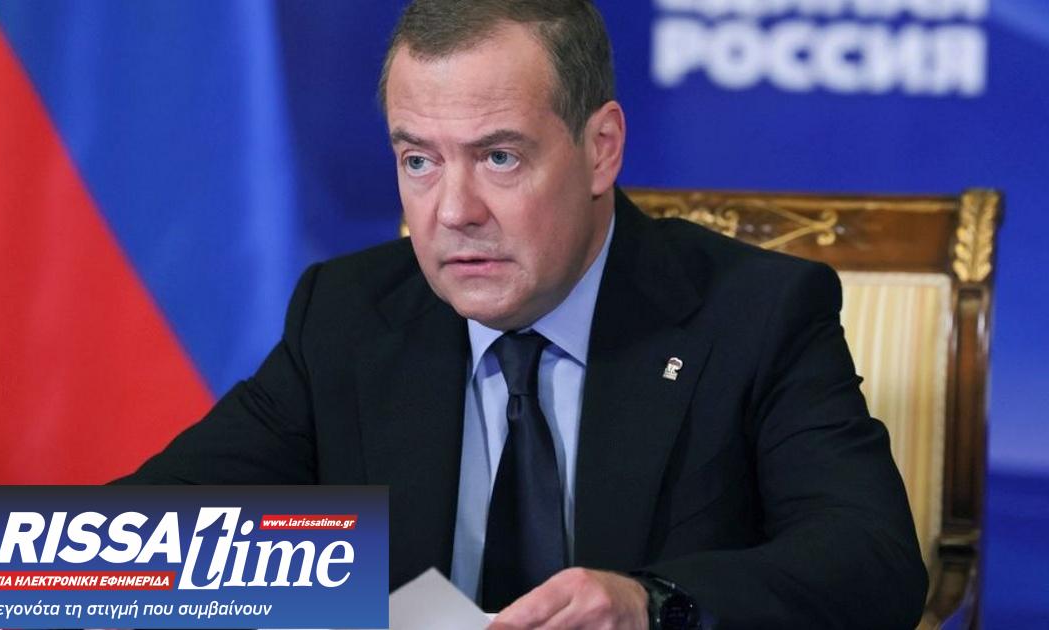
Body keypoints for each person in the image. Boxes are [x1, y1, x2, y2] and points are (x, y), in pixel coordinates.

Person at [117, 0, 928, 627]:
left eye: (499, 156)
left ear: (601, 148)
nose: (453, 211)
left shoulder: (754, 314)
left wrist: (650, 605)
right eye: (419, 160)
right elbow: (129, 549)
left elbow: (873, 565)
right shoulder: (348, 315)